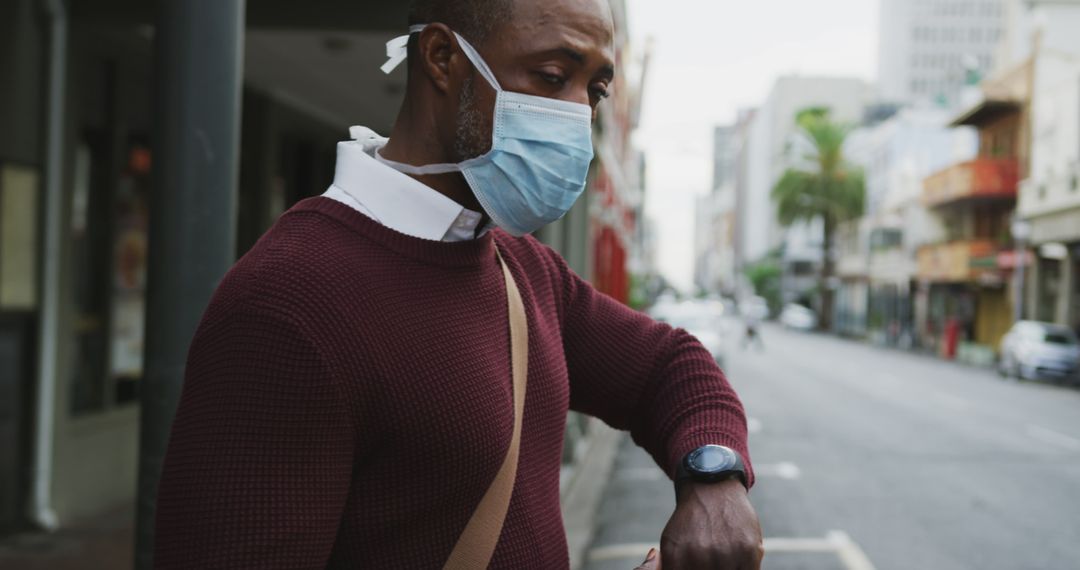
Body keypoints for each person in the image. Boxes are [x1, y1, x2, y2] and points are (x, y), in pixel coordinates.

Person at [153, 1, 762, 568]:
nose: (578, 112)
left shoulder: (521, 267)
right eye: (552, 76)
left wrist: (714, 474)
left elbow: (668, 367)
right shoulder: (287, 303)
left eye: (595, 90)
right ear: (443, 59)